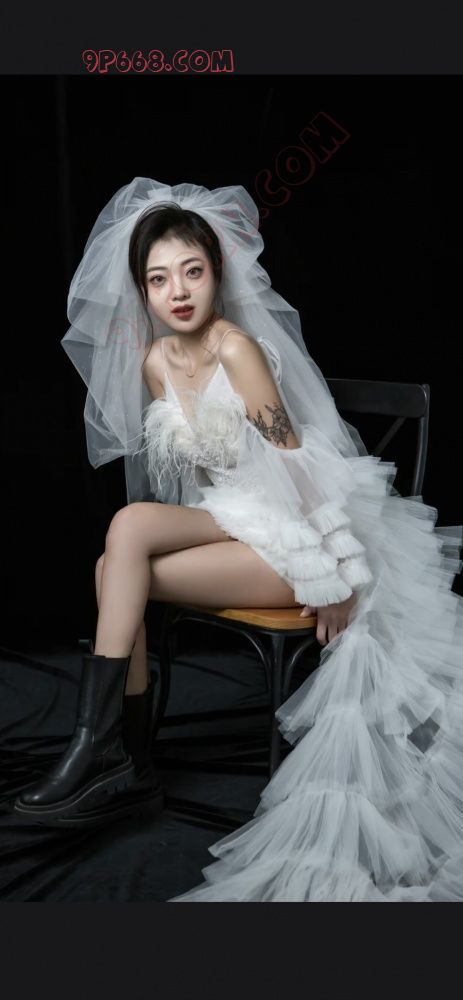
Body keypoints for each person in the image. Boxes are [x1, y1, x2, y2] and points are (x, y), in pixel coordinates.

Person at [15, 178, 463, 901]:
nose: (178, 292)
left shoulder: (237, 350)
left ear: (217, 271)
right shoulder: (156, 361)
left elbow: (298, 468)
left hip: (295, 539)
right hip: (233, 517)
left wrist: (336, 574)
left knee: (114, 566)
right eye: (159, 279)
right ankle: (115, 756)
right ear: (142, 290)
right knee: (123, 539)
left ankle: (111, 757)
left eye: (191, 271)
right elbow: (200, 484)